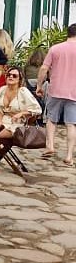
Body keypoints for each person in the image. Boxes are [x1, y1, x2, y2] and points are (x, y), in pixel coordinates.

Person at [0, 67, 43, 175]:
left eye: (14, 76)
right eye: (9, 75)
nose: (10, 77)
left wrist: (22, 113)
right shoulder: (2, 89)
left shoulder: (23, 91)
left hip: (17, 124)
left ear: (20, 79)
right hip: (2, 120)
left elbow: (37, 109)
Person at [37, 23, 76, 165]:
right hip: (74, 91)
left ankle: (50, 146)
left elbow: (44, 68)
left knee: (51, 120)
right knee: (71, 124)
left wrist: (39, 85)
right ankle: (69, 156)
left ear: (68, 33)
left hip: (56, 88)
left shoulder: (55, 49)